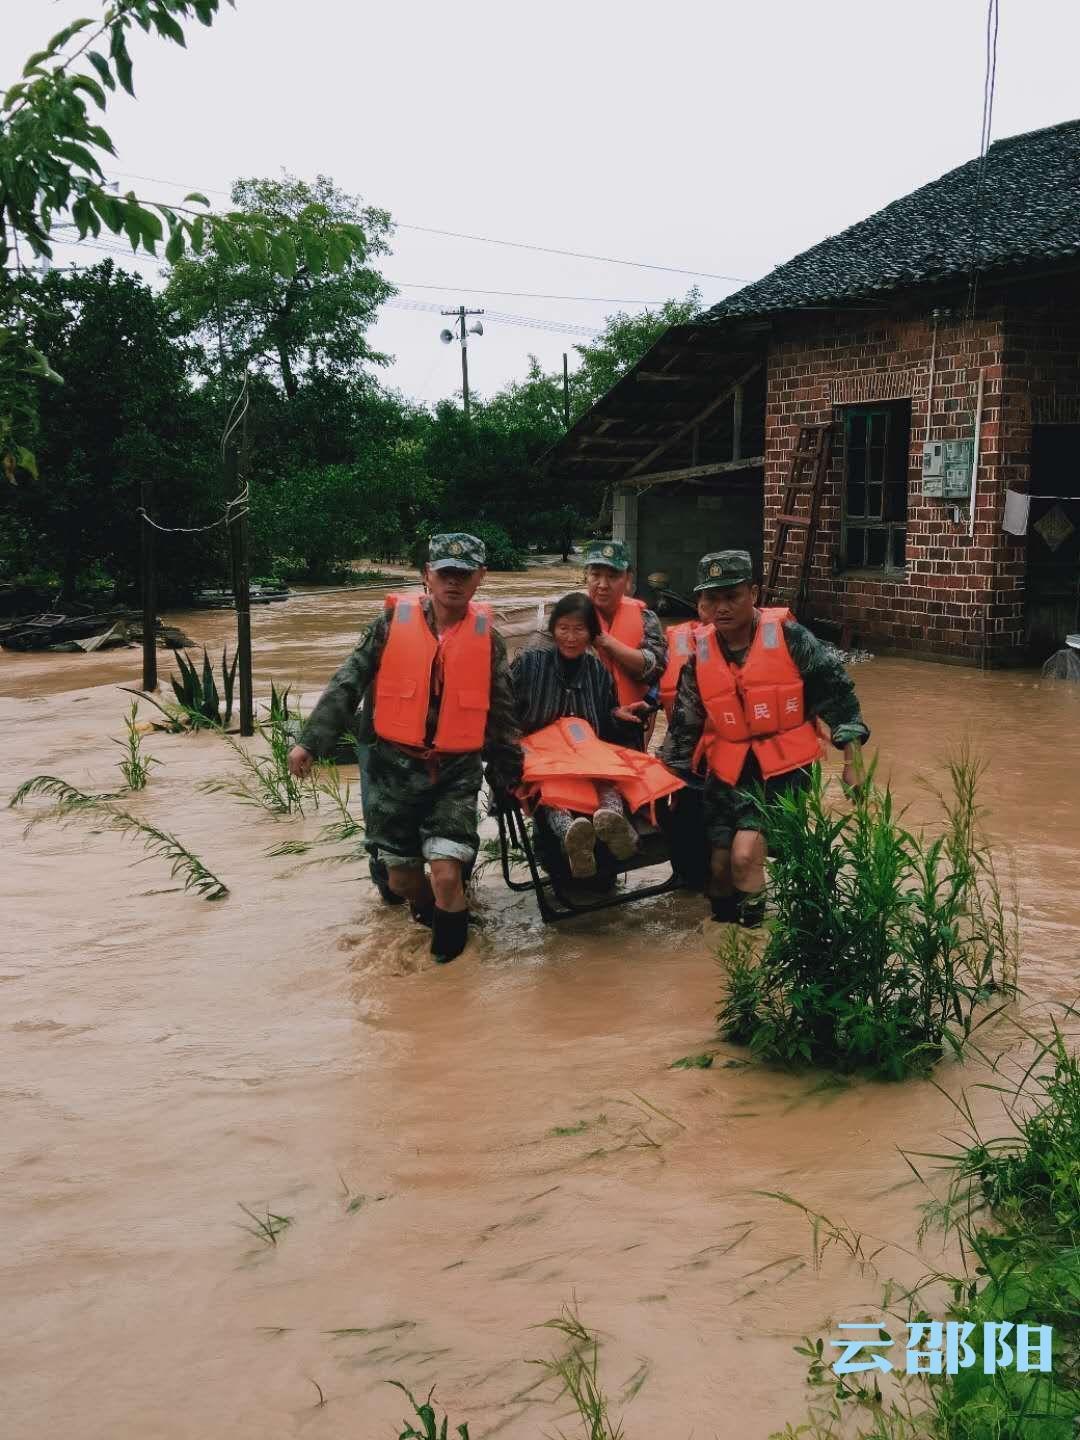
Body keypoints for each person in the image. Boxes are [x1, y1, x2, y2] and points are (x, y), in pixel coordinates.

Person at [287, 533, 523, 964]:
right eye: (445, 572)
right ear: (427, 575)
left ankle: (450, 976)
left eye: (463, 574)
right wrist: (310, 741)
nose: (453, 582)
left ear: (480, 577)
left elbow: (503, 714)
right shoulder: (389, 625)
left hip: (456, 771)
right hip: (393, 769)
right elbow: (349, 680)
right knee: (401, 882)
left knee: (447, 874)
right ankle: (439, 920)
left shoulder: (489, 640)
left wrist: (509, 775)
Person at [660, 550, 869, 928]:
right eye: (712, 598)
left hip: (781, 769)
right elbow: (685, 725)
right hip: (726, 772)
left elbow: (839, 696)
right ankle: (726, 945)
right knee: (719, 869)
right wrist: (663, 784)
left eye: (732, 596)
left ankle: (754, 935)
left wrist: (852, 763)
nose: (722, 607)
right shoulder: (700, 652)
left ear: (753, 593)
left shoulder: (791, 638)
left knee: (744, 856)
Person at [510, 592, 671, 879]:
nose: (571, 637)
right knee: (553, 791)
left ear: (592, 634)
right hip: (544, 758)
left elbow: (605, 719)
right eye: (563, 628)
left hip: (586, 754)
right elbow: (505, 714)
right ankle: (572, 838)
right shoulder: (529, 664)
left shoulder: (597, 671)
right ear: (553, 630)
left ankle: (616, 825)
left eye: (579, 629)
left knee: (608, 778)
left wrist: (619, 715)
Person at [524, 540, 667, 751]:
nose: (603, 584)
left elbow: (655, 669)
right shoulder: (566, 615)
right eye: (596, 575)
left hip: (626, 727)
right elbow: (531, 670)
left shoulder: (646, 618)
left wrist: (604, 641)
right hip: (576, 732)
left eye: (612, 577)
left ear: (628, 580)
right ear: (586, 577)